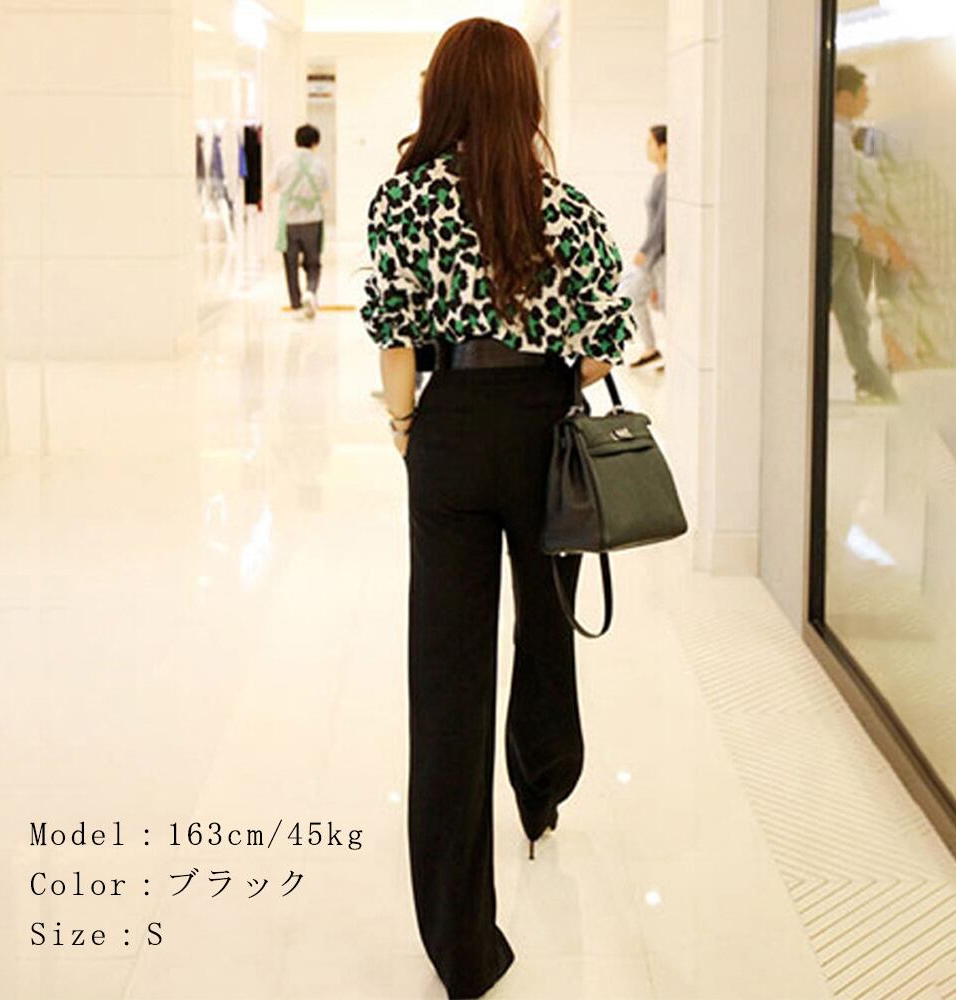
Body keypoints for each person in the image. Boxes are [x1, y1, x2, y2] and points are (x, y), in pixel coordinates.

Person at [360, 18, 633, 999]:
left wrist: (406, 429)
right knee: (546, 624)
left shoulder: (403, 199)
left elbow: (394, 337)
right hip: (545, 431)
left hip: (452, 430)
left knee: (446, 680)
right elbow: (601, 350)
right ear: (525, 96)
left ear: (440, 93)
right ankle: (542, 787)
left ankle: (461, 944)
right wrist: (547, 357)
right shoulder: (570, 207)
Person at [831, 65, 897, 403]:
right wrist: (867, 231)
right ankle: (873, 382)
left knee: (855, 313)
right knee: (837, 311)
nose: (866, 102)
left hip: (843, 237)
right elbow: (841, 196)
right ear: (845, 97)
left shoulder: (841, 135)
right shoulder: (836, 138)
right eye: (863, 95)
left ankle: (872, 382)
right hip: (837, 237)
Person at [270, 124, 328, 319]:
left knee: (290, 264)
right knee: (313, 263)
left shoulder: (283, 162)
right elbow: (325, 192)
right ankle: (310, 291)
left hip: (289, 220)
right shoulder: (319, 164)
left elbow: (272, 186)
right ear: (315, 143)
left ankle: (296, 305)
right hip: (313, 218)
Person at [621, 124, 667, 368]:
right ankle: (650, 348)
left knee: (666, 305)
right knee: (635, 296)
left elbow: (662, 221)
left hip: (660, 255)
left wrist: (646, 250)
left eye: (650, 143)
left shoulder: (668, 179)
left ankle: (658, 350)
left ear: (664, 146)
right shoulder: (660, 178)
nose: (647, 148)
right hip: (655, 255)